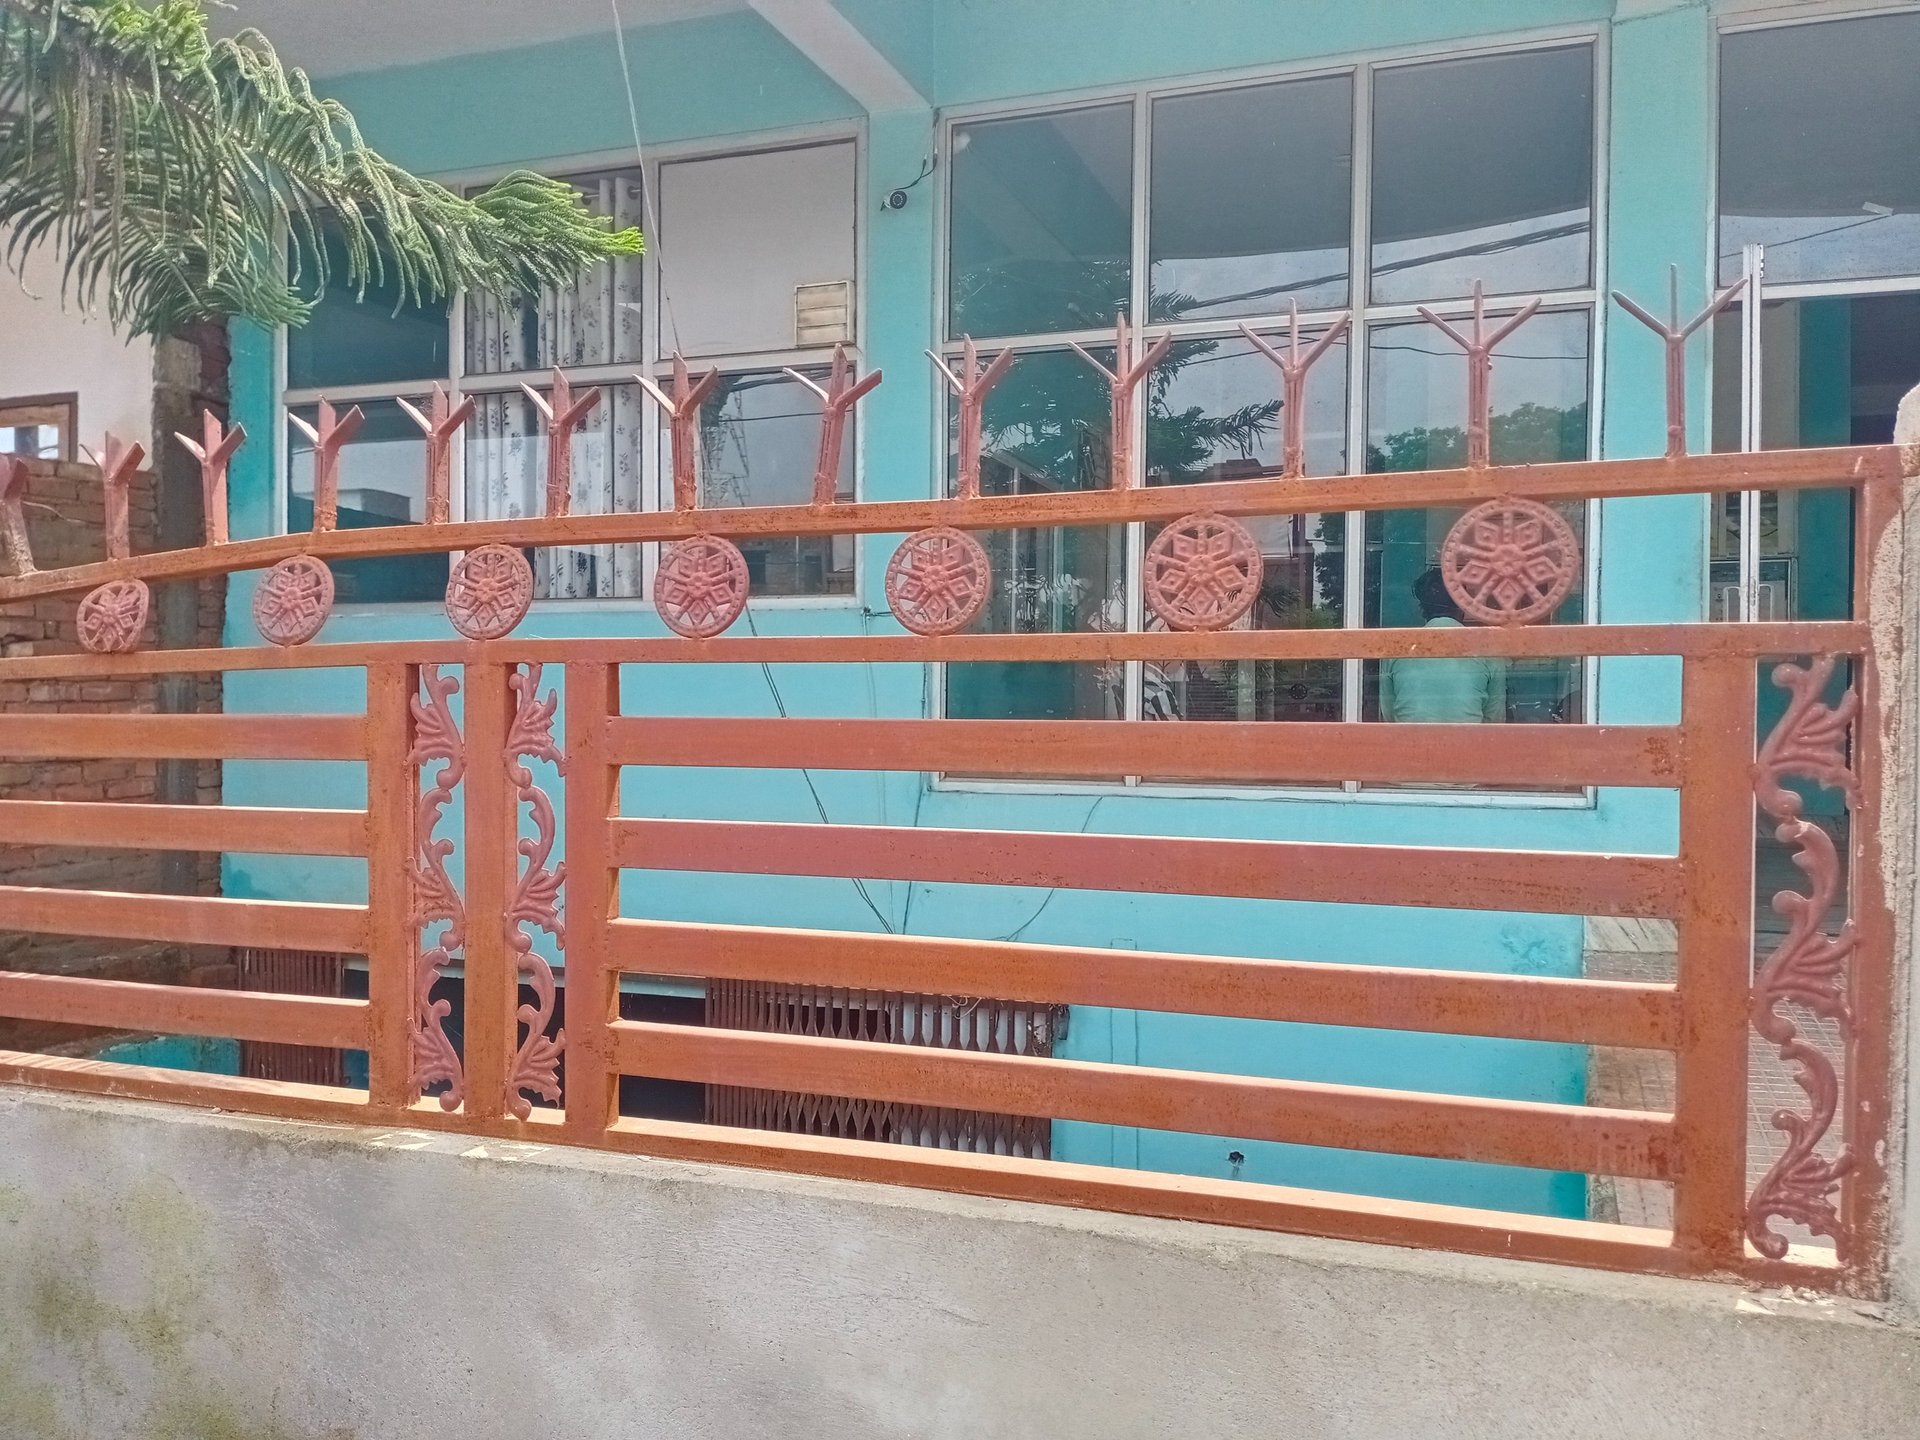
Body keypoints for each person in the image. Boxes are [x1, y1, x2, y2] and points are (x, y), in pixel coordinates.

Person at [1379, 566, 1506, 723]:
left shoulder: (1397, 651)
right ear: (1463, 606)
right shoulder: (1488, 652)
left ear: (1422, 609)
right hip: (1469, 744)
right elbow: (1495, 720)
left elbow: (1389, 717)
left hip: (1409, 744)